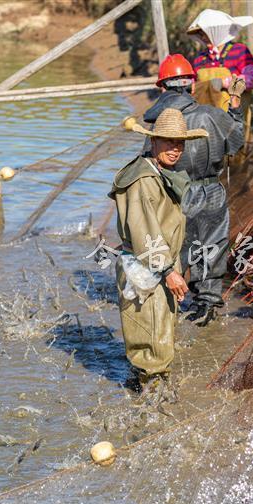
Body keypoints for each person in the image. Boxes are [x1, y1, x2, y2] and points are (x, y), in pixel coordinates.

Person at [143, 53, 246, 326]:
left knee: (178, 249)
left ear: (162, 87)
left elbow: (148, 164)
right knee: (212, 246)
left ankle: (169, 305)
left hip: (178, 195)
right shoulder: (213, 115)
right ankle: (207, 306)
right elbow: (236, 142)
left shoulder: (161, 122)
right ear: (191, 85)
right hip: (212, 191)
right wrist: (235, 105)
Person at [110, 108, 207, 387]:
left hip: (159, 263)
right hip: (146, 266)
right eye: (168, 141)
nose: (175, 149)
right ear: (153, 142)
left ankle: (148, 389)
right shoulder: (142, 180)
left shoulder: (160, 172)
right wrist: (168, 270)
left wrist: (172, 267)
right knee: (150, 337)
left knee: (160, 329)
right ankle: (152, 401)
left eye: (180, 143)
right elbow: (145, 232)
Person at [187, 8, 253, 113]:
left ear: (217, 31)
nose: (202, 38)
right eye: (200, 34)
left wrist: (225, 83)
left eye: (205, 33)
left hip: (234, 115)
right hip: (206, 116)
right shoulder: (199, 59)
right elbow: (193, 86)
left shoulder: (240, 51)